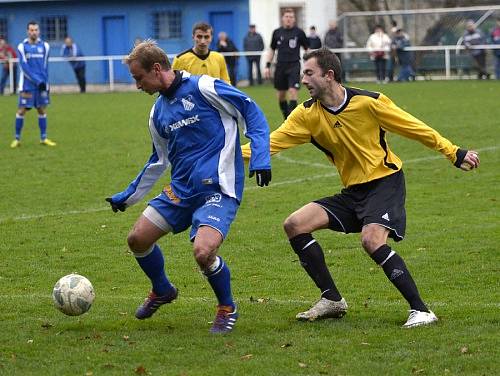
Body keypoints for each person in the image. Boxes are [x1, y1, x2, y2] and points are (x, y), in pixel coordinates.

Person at [241, 48, 480, 328]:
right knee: (294, 224)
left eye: (309, 73)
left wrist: (454, 152)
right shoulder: (305, 115)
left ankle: (422, 310)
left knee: (371, 240)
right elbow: (268, 145)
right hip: (353, 192)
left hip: (385, 182)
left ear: (329, 75)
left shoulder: (370, 103)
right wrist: (217, 158)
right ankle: (332, 299)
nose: (302, 80)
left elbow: (414, 127)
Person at [105, 40, 271, 334]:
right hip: (181, 191)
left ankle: (227, 307)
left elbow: (251, 111)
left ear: (156, 69)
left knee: (203, 252)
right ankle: (162, 290)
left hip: (218, 188)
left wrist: (259, 155)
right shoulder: (157, 113)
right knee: (137, 239)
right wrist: (128, 197)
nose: (137, 85)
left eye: (138, 77)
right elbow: (158, 161)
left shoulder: (204, 87)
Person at [10, 21, 55, 148]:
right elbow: (24, 67)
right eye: (31, 30)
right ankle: (17, 139)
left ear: (39, 31)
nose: (33, 32)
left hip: (41, 84)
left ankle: (43, 138)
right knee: (22, 110)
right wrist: (37, 80)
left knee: (41, 109)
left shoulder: (45, 46)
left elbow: (45, 66)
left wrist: (45, 83)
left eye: (36, 30)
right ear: (27, 31)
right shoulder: (22, 47)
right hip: (27, 85)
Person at [265, 8, 309, 119]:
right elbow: (272, 50)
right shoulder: (277, 32)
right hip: (280, 66)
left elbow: (307, 50)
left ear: (294, 19)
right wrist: (267, 66)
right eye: (287, 17)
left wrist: (309, 66)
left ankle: (291, 120)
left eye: (291, 17)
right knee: (281, 95)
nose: (289, 19)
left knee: (293, 91)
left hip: (294, 65)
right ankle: (286, 118)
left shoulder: (299, 32)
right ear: (282, 18)